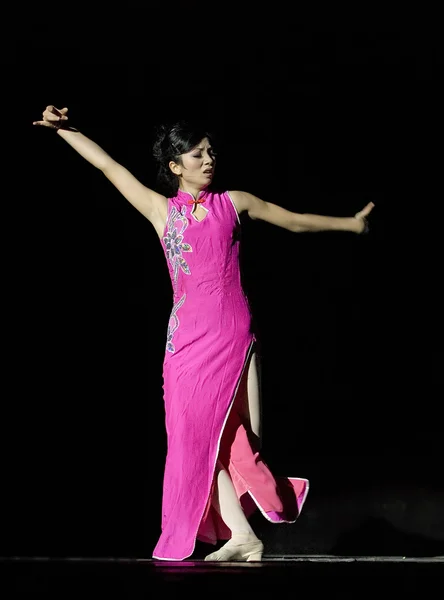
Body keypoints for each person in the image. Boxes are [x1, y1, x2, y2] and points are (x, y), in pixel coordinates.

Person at [33, 105, 374, 562]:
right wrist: (65, 130)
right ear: (175, 166)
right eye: (197, 154)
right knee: (195, 443)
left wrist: (350, 224)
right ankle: (243, 536)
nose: (209, 159)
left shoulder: (234, 202)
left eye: (210, 151)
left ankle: (249, 527)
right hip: (185, 348)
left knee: (242, 443)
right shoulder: (161, 211)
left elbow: (291, 219)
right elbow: (107, 165)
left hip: (231, 336)